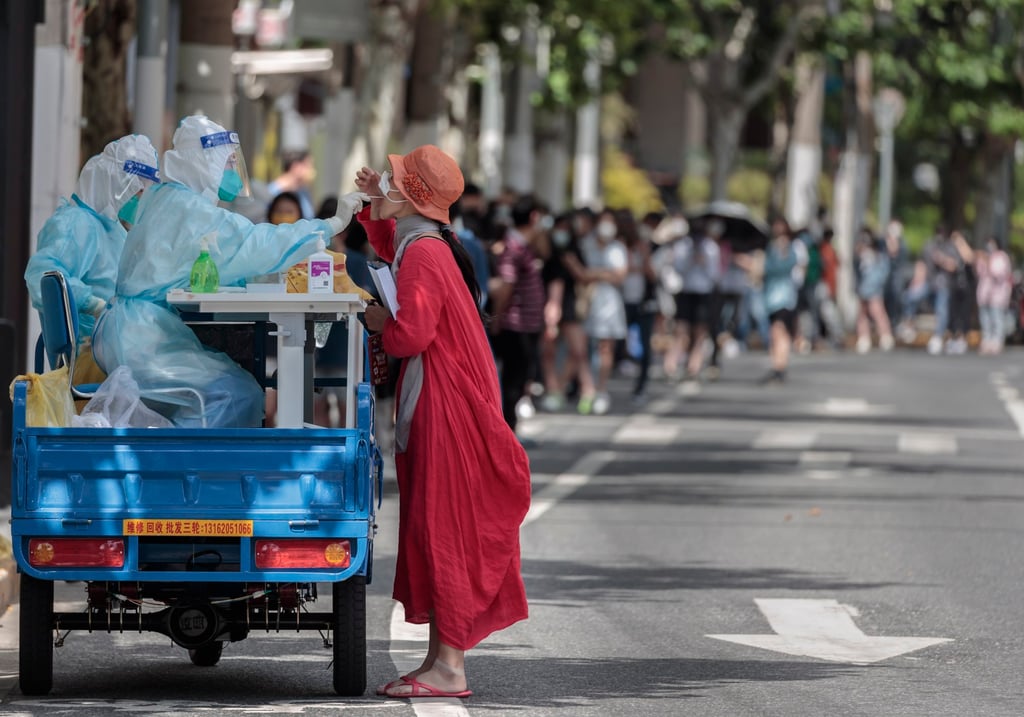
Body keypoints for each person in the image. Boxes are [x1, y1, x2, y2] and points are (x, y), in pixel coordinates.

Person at [355, 145, 531, 700]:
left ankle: (450, 668)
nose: (383, 182)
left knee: (444, 526)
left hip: (443, 401)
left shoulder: (425, 254)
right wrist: (369, 201)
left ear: (409, 196)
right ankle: (438, 660)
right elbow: (389, 242)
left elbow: (412, 335)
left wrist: (380, 319)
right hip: (443, 395)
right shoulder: (425, 242)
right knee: (434, 524)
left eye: (391, 178)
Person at [92, 115, 364, 427]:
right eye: (228, 163)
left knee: (235, 387)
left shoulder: (168, 198)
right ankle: (187, 471)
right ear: (203, 163)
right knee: (236, 393)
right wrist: (329, 225)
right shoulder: (189, 210)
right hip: (142, 340)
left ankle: (190, 469)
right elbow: (254, 243)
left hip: (133, 332)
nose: (233, 172)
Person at [25, 134, 161, 383]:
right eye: (137, 188)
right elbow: (43, 274)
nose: (141, 197)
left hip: (115, 351)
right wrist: (94, 304)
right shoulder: (75, 224)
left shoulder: (111, 229)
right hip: (98, 357)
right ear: (114, 182)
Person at [489, 194, 547, 432]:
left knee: (520, 378)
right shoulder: (513, 247)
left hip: (526, 324)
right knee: (513, 381)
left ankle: (509, 429)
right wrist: (496, 318)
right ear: (534, 217)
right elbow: (507, 285)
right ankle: (506, 430)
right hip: (515, 325)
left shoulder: (522, 245)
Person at [760, 217, 807, 384]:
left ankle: (780, 365)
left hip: (785, 296)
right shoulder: (771, 246)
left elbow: (789, 266)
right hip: (771, 296)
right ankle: (777, 365)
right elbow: (767, 268)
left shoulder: (792, 247)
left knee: (779, 330)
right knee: (775, 332)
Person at [853, 227, 894, 354]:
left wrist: (877, 285)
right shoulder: (859, 255)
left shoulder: (879, 254)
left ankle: (885, 336)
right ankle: (864, 337)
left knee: (878, 312)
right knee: (862, 314)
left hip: (874, 288)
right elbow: (857, 270)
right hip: (863, 287)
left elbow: (883, 272)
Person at [975, 237, 1013, 355]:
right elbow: (979, 272)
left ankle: (997, 341)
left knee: (997, 318)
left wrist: (988, 262)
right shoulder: (984, 257)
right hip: (984, 293)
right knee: (985, 319)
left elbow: (999, 273)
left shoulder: (1001, 257)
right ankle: (987, 340)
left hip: (997, 294)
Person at [268, 149, 317, 219]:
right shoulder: (271, 192)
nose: (311, 171)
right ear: (296, 166)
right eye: (308, 166)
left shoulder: (303, 192)